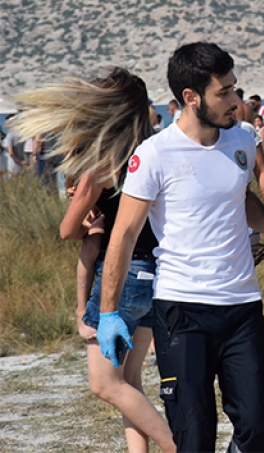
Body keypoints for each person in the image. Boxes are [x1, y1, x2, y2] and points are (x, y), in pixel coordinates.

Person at [97, 42, 264, 451]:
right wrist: (109, 312)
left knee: (260, 423)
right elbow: (123, 236)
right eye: (224, 92)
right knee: (193, 437)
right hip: (183, 312)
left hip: (242, 306)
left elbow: (241, 200)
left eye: (235, 88)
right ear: (191, 98)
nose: (235, 101)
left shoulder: (242, 142)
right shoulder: (154, 154)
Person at [10, 67, 176, 453]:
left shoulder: (103, 163)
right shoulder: (152, 152)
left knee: (105, 383)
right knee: (129, 382)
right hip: (157, 273)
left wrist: (90, 220)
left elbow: (68, 231)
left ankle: (181, 448)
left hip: (122, 278)